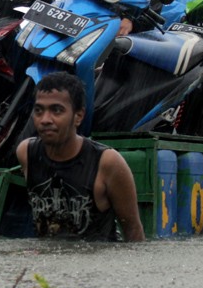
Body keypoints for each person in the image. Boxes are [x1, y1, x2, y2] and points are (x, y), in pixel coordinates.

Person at [16, 72, 145, 242]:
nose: (45, 119)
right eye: (39, 111)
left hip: (97, 256)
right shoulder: (26, 153)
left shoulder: (107, 162)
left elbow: (133, 231)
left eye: (57, 110)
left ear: (78, 116)